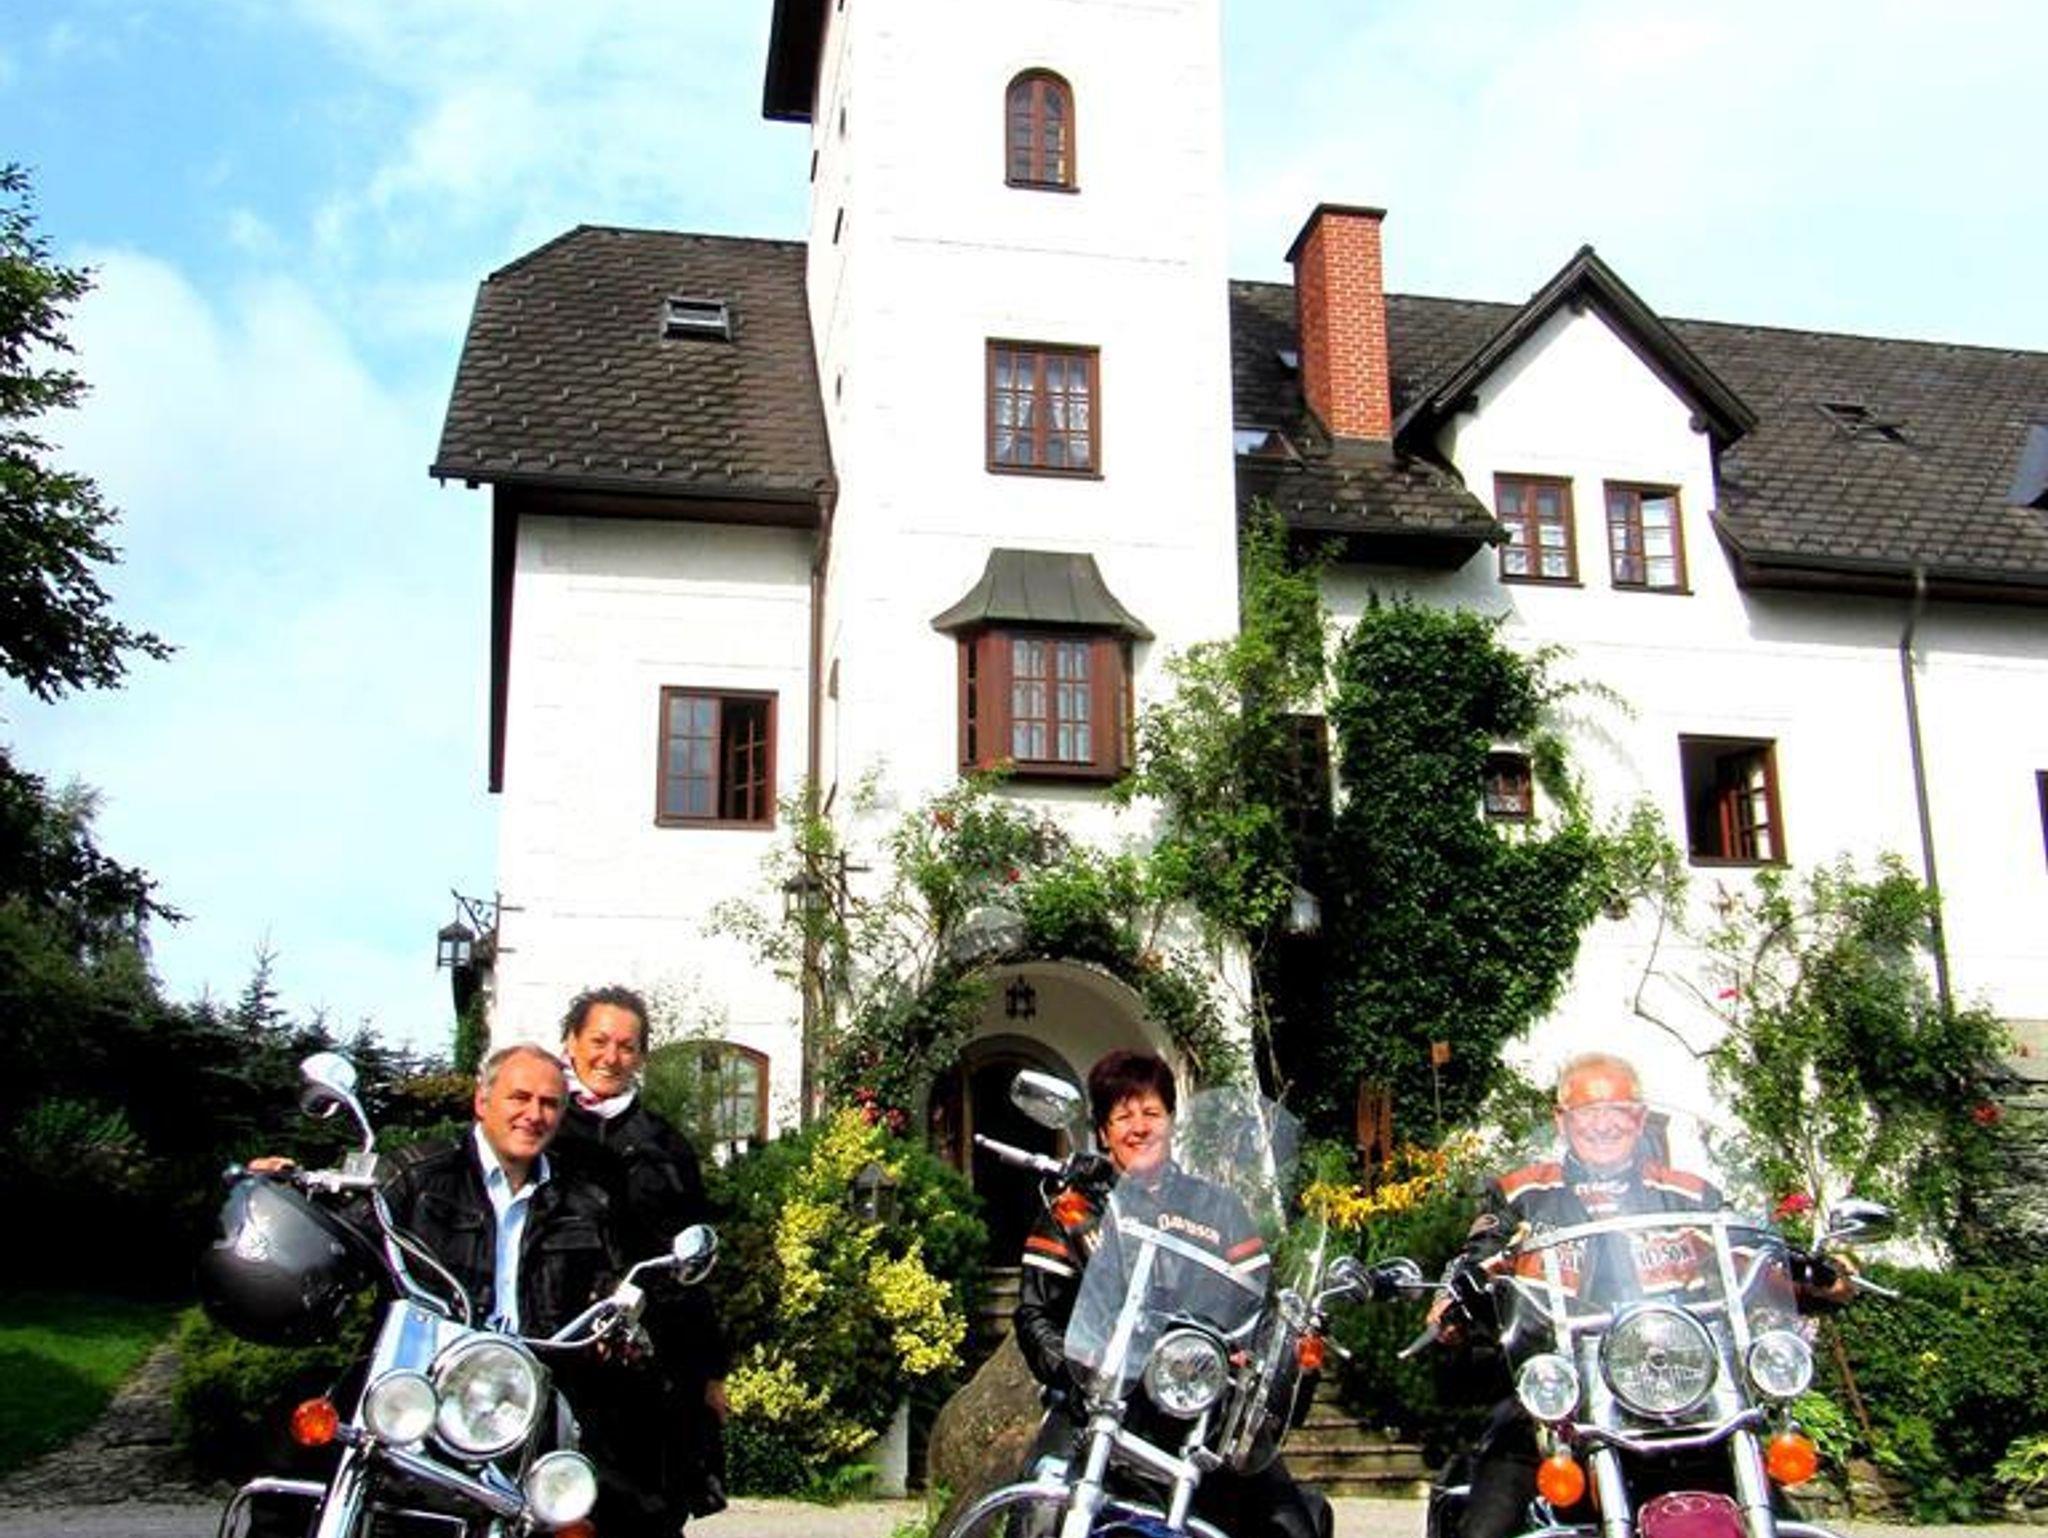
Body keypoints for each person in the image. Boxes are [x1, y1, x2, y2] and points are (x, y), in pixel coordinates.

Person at [1434, 1051, 1850, 1538]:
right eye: (1589, 1111)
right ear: (1562, 1119)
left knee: (1779, 1516)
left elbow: (1746, 1250)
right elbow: (1478, 1255)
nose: (1604, 1124)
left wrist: (1808, 1274)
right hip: (1557, 1399)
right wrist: (1458, 1294)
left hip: (1683, 1393)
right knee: (1486, 1529)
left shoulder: (1690, 1195)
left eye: (1619, 1110)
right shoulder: (1521, 1193)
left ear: (1640, 1118)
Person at [1012, 1048, 1329, 1538]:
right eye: (1123, 1117)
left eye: (1152, 1113)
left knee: (1290, 1524)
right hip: (1098, 1404)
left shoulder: (1218, 1208)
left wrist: (1262, 1352)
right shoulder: (1078, 1208)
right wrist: (1080, 1376)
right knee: (1038, 1511)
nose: (1139, 1127)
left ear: (1172, 1123)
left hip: (1200, 1407)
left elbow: (1261, 1306)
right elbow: (1037, 1314)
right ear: (1104, 1133)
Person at [555, 985, 730, 1530]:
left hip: (649, 1361)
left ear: (641, 1057)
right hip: (559, 1349)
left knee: (646, 1511)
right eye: (599, 1041)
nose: (611, 1057)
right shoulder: (542, 1126)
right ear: (571, 1043)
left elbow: (695, 1264)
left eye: (626, 1046)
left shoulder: (666, 1145)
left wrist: (710, 1373)